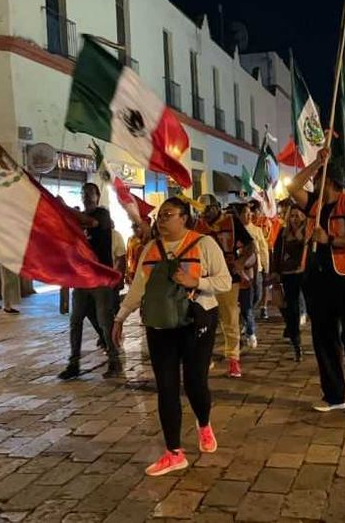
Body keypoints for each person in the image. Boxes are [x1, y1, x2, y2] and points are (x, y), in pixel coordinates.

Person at [113, 197, 231, 477]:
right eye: (160, 216)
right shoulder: (150, 249)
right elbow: (138, 287)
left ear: (185, 218)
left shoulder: (204, 244)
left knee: (194, 383)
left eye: (168, 214)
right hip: (160, 324)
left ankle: (204, 423)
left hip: (196, 321)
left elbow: (224, 281)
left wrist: (196, 282)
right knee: (166, 387)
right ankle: (173, 452)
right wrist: (119, 317)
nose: (161, 220)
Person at [288, 148, 345, 417]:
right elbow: (294, 186)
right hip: (318, 283)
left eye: (318, 176)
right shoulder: (315, 205)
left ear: (330, 180)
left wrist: (331, 240)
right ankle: (334, 395)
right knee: (323, 340)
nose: (314, 181)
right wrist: (317, 161)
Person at [59, 183, 123, 379]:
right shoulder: (76, 221)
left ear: (97, 195)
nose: (86, 197)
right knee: (75, 320)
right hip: (81, 279)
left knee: (105, 321)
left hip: (100, 278)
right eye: (83, 194)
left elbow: (90, 222)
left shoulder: (101, 215)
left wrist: (64, 208)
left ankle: (114, 359)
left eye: (90, 193)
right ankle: (74, 363)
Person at [195, 194, 255, 378]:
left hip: (228, 275)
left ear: (216, 207)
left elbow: (250, 244)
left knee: (230, 317)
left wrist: (241, 261)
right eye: (202, 210)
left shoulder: (231, 221)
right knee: (203, 319)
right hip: (204, 278)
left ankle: (233, 359)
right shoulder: (198, 226)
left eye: (208, 209)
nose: (205, 213)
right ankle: (205, 357)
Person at [271, 201, 308, 361]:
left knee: (312, 306)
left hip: (306, 274)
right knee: (289, 309)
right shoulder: (283, 233)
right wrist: (274, 271)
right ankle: (296, 342)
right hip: (288, 275)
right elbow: (276, 252)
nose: (294, 219)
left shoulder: (308, 231)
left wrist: (302, 239)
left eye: (297, 215)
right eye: (292, 215)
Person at [239, 202, 268, 348]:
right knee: (246, 304)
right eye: (245, 213)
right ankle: (249, 328)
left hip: (257, 269)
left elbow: (263, 249)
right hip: (242, 272)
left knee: (257, 296)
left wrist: (266, 267)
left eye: (249, 212)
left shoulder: (256, 230)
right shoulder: (236, 231)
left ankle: (246, 319)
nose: (249, 215)